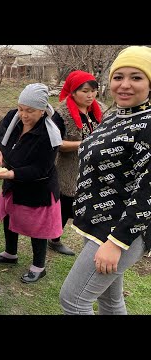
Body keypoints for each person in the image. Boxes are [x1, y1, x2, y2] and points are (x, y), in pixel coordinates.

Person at [60, 46, 151, 314]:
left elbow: (147, 192)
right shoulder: (114, 117)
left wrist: (116, 243)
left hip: (121, 231)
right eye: (118, 76)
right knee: (110, 301)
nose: (124, 85)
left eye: (136, 77)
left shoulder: (148, 124)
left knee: (74, 301)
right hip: (98, 224)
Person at [0, 83, 63, 283]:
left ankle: (39, 266)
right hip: (12, 181)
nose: (23, 115)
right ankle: (10, 254)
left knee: (38, 227)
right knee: (10, 216)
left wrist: (11, 174)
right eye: (21, 108)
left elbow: (40, 168)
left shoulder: (50, 133)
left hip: (38, 187)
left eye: (30, 111)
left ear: (43, 110)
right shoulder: (13, 117)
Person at [49, 70, 105, 256]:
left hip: (93, 169)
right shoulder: (62, 115)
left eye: (93, 91)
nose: (90, 95)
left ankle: (92, 242)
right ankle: (54, 239)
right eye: (85, 91)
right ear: (73, 92)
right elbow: (56, 143)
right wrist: (84, 144)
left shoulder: (99, 111)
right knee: (64, 205)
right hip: (68, 169)